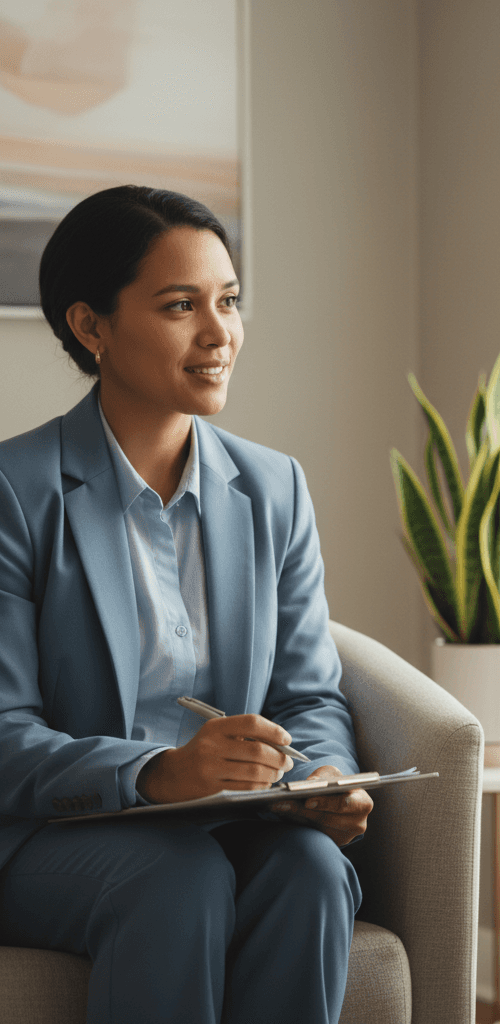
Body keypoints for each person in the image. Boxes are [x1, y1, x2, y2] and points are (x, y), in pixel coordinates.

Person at [0, 185, 373, 1024]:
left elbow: (309, 692)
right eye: (181, 306)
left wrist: (322, 774)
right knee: (178, 876)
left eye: (229, 302)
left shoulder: (273, 488)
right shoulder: (14, 493)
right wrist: (159, 775)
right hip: (51, 835)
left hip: (233, 820)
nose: (220, 334)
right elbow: (4, 734)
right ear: (91, 326)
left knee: (312, 871)